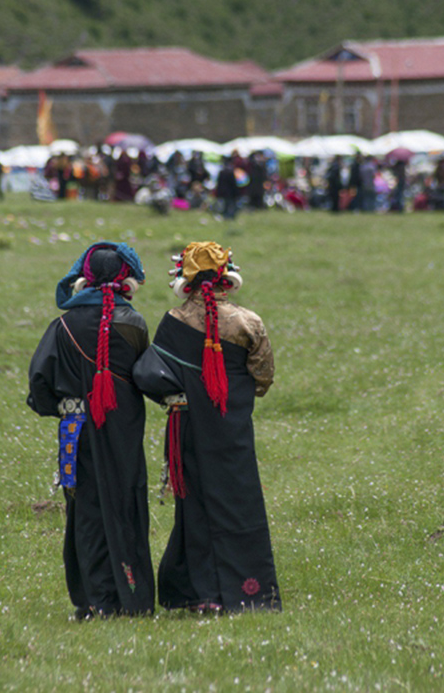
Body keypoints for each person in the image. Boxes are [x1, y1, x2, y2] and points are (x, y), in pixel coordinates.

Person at [133, 241, 282, 614]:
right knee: (239, 503)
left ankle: (200, 594)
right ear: (227, 278)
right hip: (231, 430)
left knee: (195, 506)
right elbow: (263, 378)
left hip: (187, 427)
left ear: (185, 278)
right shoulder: (250, 322)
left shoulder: (172, 321)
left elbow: (149, 375)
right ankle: (248, 591)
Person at [27, 242, 155, 619]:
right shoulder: (133, 323)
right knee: (124, 500)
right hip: (122, 427)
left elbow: (39, 380)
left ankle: (93, 600)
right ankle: (131, 597)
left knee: (83, 507)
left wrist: (59, 408)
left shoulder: (62, 324)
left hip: (74, 428)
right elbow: (144, 373)